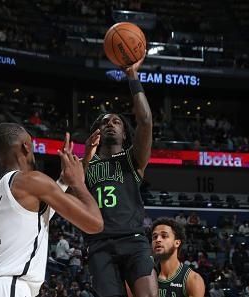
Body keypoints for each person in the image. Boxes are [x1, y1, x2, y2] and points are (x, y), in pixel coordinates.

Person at [0, 123, 103, 297]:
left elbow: (41, 214)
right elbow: (95, 223)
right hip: (10, 288)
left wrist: (84, 161)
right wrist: (78, 182)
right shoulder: (31, 181)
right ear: (26, 146)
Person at [80, 57, 157, 297]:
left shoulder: (133, 159)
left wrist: (132, 76)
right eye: (104, 123)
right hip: (99, 244)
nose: (110, 124)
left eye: (116, 122)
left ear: (125, 134)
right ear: (97, 133)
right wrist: (84, 157)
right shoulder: (84, 164)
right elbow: (71, 197)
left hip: (133, 240)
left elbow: (145, 121)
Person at [151, 218, 205, 297]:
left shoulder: (193, 279)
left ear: (177, 243)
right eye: (155, 237)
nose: (158, 240)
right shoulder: (145, 277)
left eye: (164, 236)